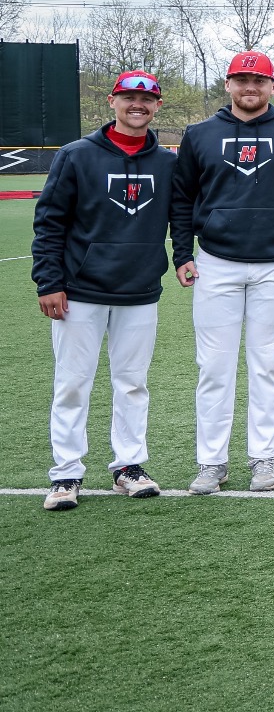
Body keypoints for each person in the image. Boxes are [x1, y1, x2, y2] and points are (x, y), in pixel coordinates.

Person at [171, 50, 274, 494]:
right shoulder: (199, 135)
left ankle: (263, 459)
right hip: (216, 263)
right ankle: (212, 463)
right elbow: (182, 198)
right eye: (242, 80)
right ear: (228, 85)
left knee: (267, 364)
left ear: (272, 86)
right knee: (214, 367)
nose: (250, 88)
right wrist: (182, 254)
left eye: (258, 81)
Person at [33, 71, 177, 510]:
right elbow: (50, 221)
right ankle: (66, 474)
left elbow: (184, 218)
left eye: (147, 99)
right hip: (80, 291)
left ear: (157, 106)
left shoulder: (169, 163)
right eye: (129, 97)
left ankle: (128, 466)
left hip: (139, 290)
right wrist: (49, 281)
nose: (138, 105)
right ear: (113, 102)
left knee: (132, 383)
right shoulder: (76, 155)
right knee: (72, 384)